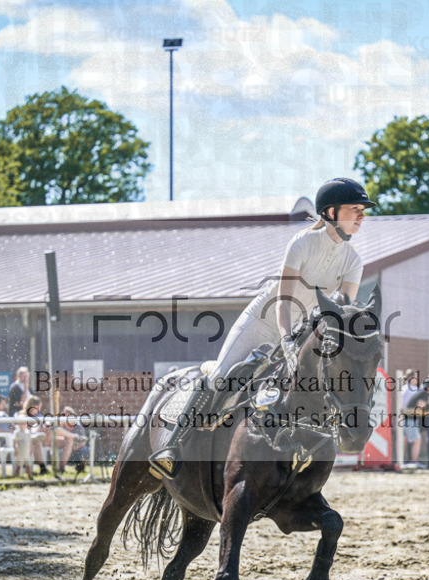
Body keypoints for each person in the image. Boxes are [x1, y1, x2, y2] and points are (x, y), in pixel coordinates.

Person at [149, 177, 376, 478]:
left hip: (300, 332)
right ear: (331, 213)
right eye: (355, 209)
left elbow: (339, 312)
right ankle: (171, 449)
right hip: (264, 322)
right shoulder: (302, 243)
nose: (362, 215)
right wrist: (286, 342)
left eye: (363, 210)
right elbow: (283, 303)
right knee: (220, 379)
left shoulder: (354, 260)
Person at [14, 395, 48, 478]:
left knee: (36, 441)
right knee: (34, 441)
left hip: (34, 438)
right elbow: (17, 427)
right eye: (37, 406)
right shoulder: (20, 415)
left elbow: (44, 425)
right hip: (22, 440)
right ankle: (42, 467)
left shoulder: (39, 416)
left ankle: (39, 467)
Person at [401, 370, 423, 465]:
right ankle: (414, 461)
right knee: (417, 440)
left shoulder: (403, 388)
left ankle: (400, 460)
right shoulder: (413, 389)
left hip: (402, 418)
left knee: (404, 440)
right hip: (411, 418)